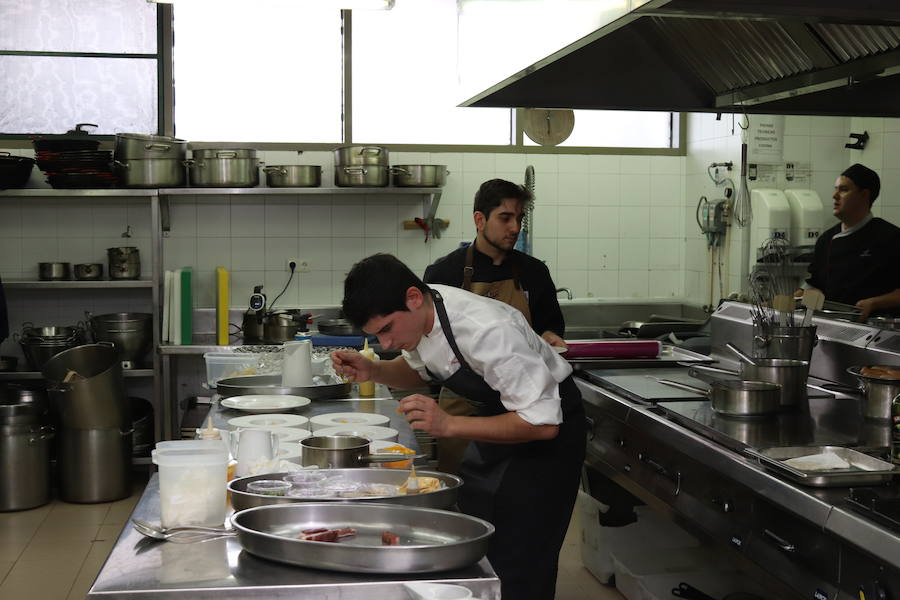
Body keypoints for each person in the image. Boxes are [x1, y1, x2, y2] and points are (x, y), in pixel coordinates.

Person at [331, 254, 585, 600]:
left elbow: (541, 424)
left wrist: (449, 423)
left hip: (546, 438)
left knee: (521, 558)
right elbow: (417, 370)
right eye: (376, 336)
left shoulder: (487, 330)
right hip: (500, 425)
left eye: (387, 329)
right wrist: (373, 370)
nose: (385, 344)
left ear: (413, 298)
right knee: (477, 538)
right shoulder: (423, 316)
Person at [424, 178, 567, 472]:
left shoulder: (534, 272)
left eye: (519, 218)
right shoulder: (443, 272)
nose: (515, 228)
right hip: (461, 404)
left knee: (511, 490)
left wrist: (551, 337)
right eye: (505, 218)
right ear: (479, 219)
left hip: (519, 405)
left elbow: (550, 327)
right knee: (459, 487)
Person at [800, 163, 900, 319]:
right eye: (836, 189)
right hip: (833, 327)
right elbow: (816, 286)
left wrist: (874, 303)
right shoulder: (826, 240)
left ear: (864, 195)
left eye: (844, 190)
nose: (835, 196)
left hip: (877, 332)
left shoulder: (890, 237)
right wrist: (799, 298)